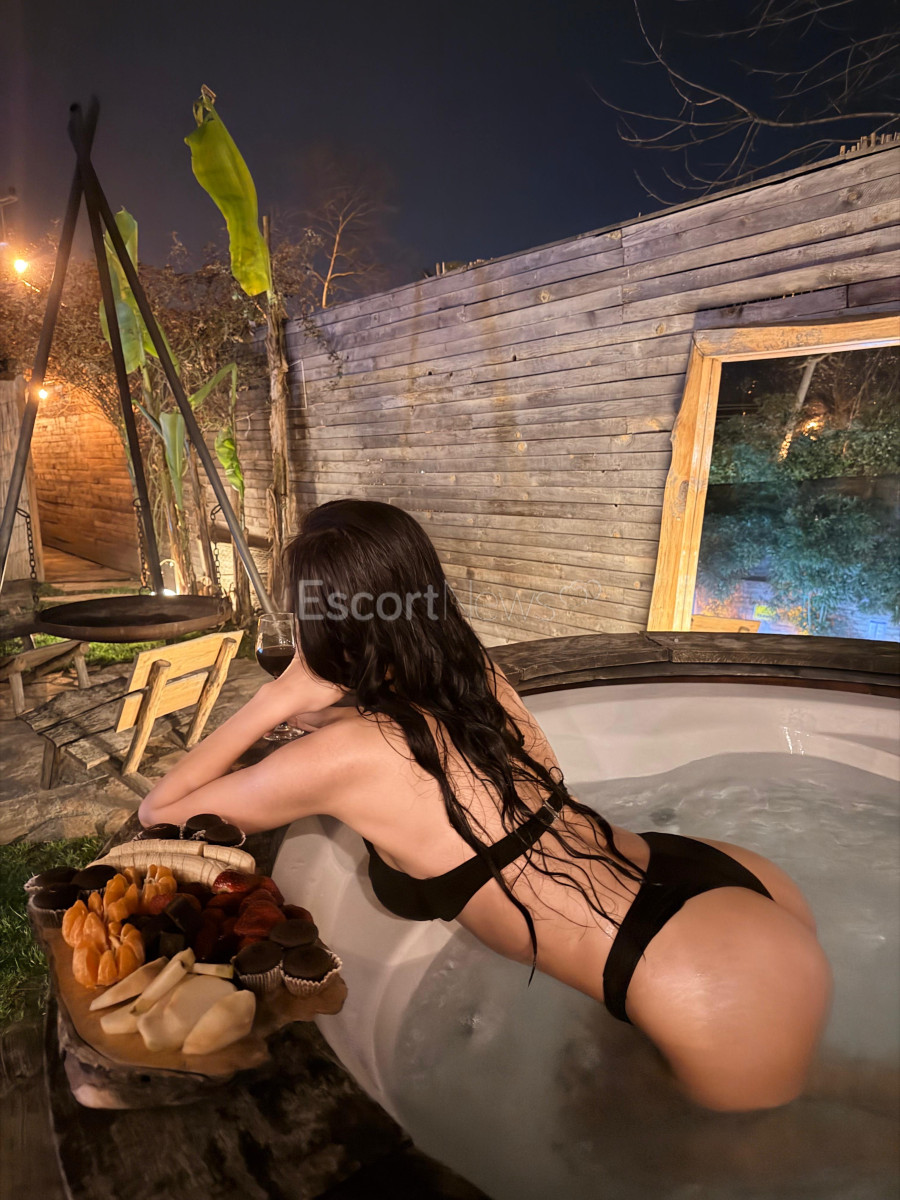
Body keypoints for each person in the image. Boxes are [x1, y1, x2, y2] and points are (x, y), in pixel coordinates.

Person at [139, 499, 832, 1113]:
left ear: (319, 627)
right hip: (711, 878)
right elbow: (402, 740)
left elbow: (161, 815)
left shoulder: (338, 759)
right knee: (833, 1101)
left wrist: (273, 698)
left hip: (702, 977)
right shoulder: (471, 672)